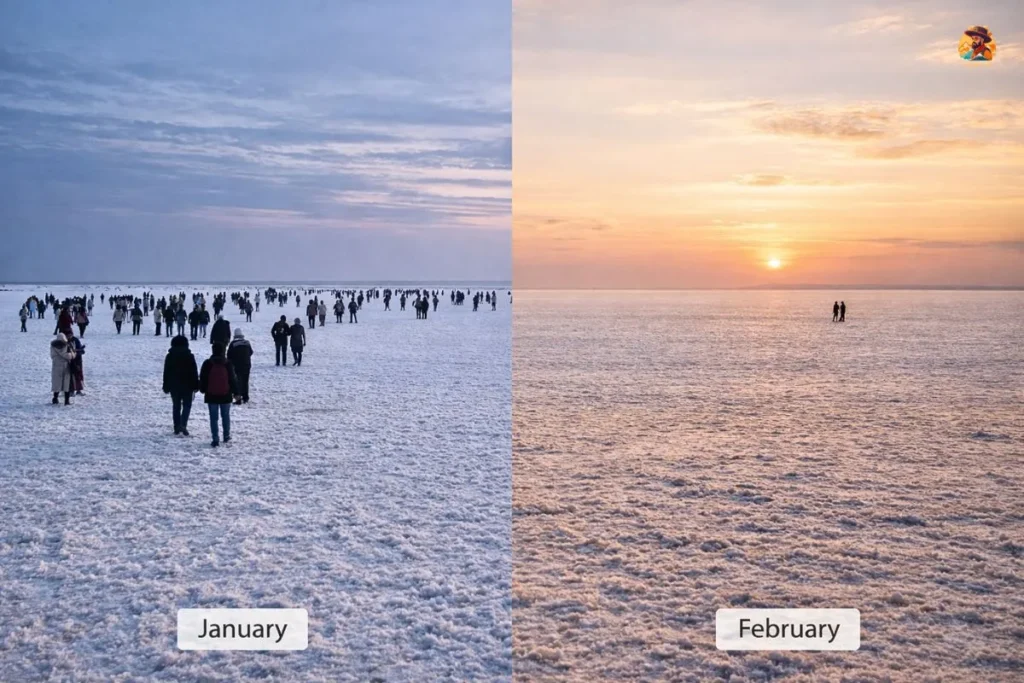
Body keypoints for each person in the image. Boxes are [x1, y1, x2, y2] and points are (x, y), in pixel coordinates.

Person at [199, 342, 239, 447]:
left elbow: (203, 378)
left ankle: (215, 439)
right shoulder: (227, 363)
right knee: (225, 416)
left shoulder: (207, 363)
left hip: (211, 394)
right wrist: (236, 393)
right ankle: (226, 436)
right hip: (225, 394)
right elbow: (232, 379)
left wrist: (203, 389)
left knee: (213, 418)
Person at [163, 335, 200, 436]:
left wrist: (165, 385)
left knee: (176, 406)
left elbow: (166, 372)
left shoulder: (170, 356)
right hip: (187, 384)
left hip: (174, 385)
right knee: (187, 405)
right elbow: (194, 371)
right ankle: (183, 424)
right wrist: (196, 385)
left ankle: (176, 426)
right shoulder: (189, 356)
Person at [227, 329, 253, 405]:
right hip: (247, 364)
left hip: (237, 365)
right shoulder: (247, 342)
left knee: (237, 381)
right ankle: (245, 397)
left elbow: (229, 355)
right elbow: (251, 352)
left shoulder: (233, 343)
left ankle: (238, 399)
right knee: (245, 380)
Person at [50, 333, 76, 405]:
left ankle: (55, 398)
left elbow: (52, 355)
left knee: (57, 383)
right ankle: (66, 400)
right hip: (65, 366)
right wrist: (73, 353)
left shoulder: (52, 345)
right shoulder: (66, 345)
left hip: (56, 365)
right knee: (66, 383)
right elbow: (67, 356)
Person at [66, 330, 85, 395]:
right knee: (70, 376)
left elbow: (81, 351)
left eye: (70, 335)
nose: (69, 336)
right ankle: (71, 390)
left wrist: (78, 351)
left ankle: (79, 390)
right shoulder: (64, 341)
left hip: (77, 360)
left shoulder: (76, 340)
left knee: (78, 375)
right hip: (69, 360)